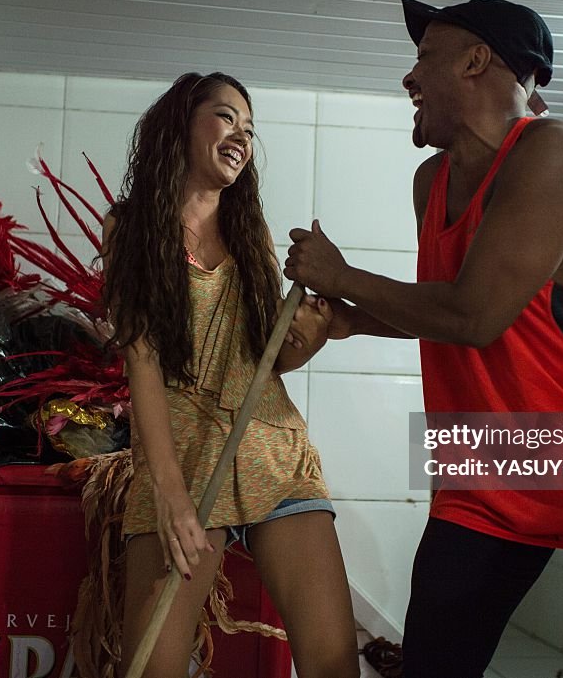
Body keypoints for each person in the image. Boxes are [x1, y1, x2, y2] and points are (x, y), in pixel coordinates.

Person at [283, 0, 563, 677]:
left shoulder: (559, 153)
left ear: (476, 60)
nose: (409, 79)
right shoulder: (432, 181)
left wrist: (346, 275)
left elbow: (474, 316)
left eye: (423, 59)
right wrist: (355, 317)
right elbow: (461, 304)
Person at [102, 72, 359, 678]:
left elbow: (268, 358)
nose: (241, 135)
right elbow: (140, 357)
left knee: (333, 667)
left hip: (273, 452)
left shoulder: (251, 235)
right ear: (181, 127)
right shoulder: (131, 226)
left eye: (248, 127)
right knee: (153, 669)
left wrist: (311, 337)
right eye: (225, 118)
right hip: (183, 462)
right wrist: (166, 492)